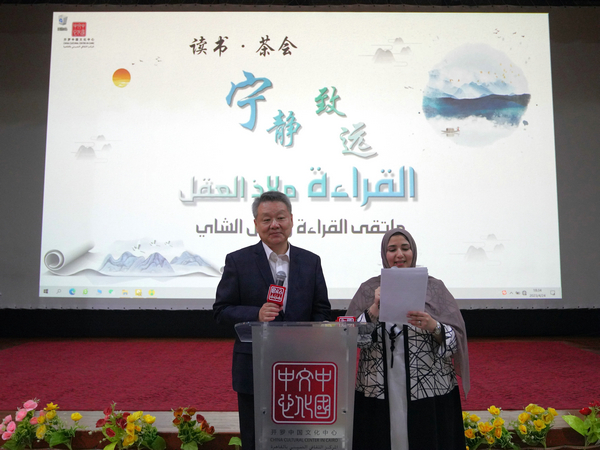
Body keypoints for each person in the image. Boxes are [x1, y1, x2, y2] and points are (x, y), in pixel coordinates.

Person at [213, 191, 331, 450]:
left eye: (280, 218)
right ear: (255, 224)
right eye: (266, 219)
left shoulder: (311, 261)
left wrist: (315, 338)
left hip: (300, 368)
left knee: (298, 439)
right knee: (255, 439)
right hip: (254, 366)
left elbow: (321, 310)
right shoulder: (238, 261)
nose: (274, 225)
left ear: (291, 220)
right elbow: (221, 311)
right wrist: (256, 314)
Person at [346, 226, 470, 450]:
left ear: (414, 251)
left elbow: (457, 339)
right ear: (384, 254)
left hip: (428, 389)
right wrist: (373, 310)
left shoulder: (435, 288)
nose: (399, 255)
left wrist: (434, 326)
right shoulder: (369, 289)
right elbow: (349, 338)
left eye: (405, 248)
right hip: (377, 387)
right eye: (392, 249)